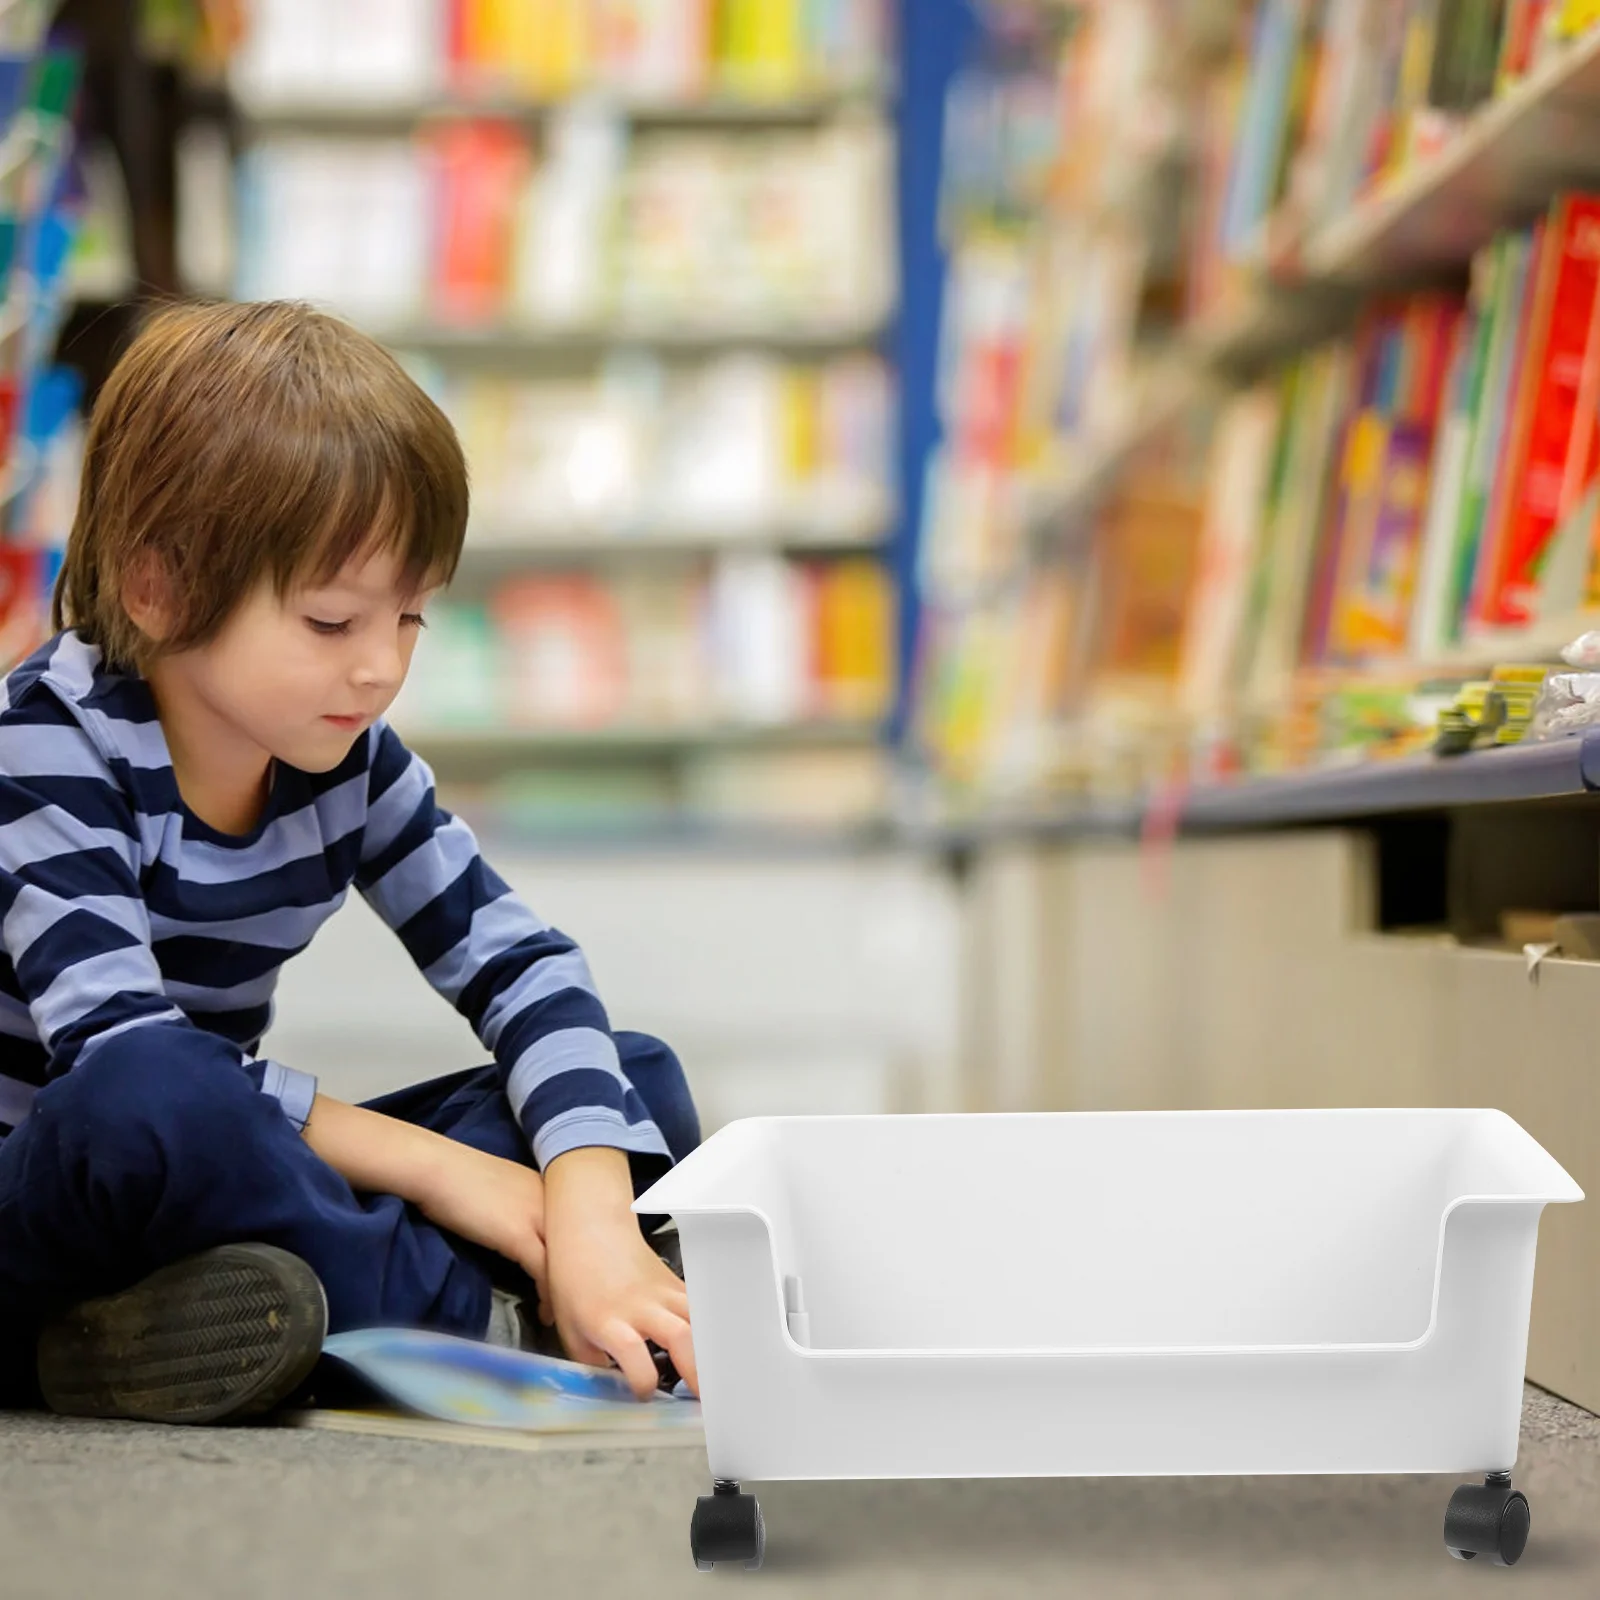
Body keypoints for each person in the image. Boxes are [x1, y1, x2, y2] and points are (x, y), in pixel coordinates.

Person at [0, 299, 700, 1424]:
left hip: (214, 1185)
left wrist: (587, 1209)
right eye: (331, 622)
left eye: (410, 618)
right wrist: (451, 1173)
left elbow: (526, 968)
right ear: (159, 585)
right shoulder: (44, 740)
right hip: (49, 1187)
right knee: (156, 1096)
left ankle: (197, 1329)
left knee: (630, 1076)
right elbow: (122, 1057)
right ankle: (485, 1318)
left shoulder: (348, 762)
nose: (378, 669)